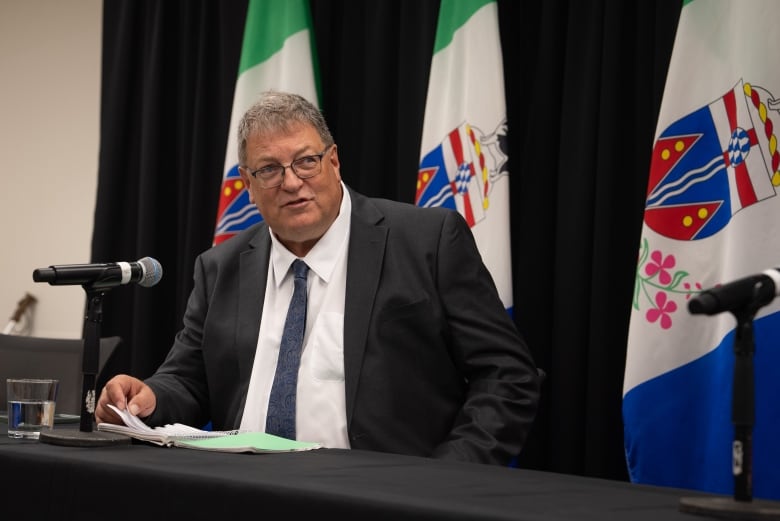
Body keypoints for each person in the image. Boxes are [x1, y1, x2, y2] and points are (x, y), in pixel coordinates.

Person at [96, 90, 541, 466]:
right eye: (268, 169)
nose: (291, 182)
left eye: (305, 161)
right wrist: (149, 396)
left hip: (388, 497)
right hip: (242, 491)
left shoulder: (427, 241)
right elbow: (191, 380)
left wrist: (447, 478)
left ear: (334, 161)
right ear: (248, 186)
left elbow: (507, 374)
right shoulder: (220, 266)